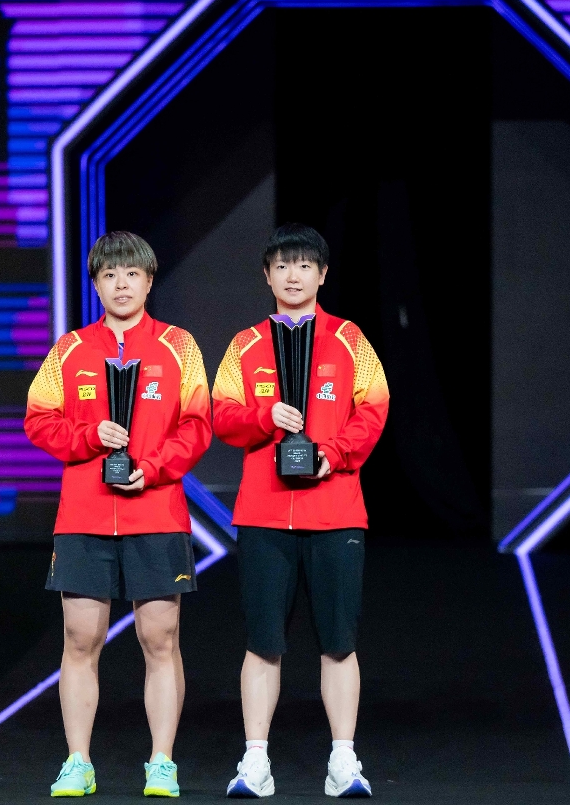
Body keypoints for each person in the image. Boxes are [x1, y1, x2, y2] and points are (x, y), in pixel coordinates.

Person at [25, 230, 211, 798]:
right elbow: (38, 420)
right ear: (96, 284)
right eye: (109, 275)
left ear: (150, 281)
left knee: (161, 638)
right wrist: (88, 436)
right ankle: (78, 761)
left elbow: (197, 426)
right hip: (84, 516)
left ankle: (162, 762)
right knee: (80, 639)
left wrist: (151, 468)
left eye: (132, 274)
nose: (121, 284)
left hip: (156, 513)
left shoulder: (179, 346)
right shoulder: (69, 349)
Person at [212, 223, 389, 798]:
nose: (293, 275)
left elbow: (374, 409)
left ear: (323, 274)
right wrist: (264, 419)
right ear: (267, 275)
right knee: (263, 642)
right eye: (282, 266)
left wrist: (332, 455)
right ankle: (255, 762)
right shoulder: (244, 345)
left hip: (336, 511)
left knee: (339, 641)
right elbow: (220, 415)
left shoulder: (350, 339)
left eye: (305, 265)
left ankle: (344, 762)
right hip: (264, 515)